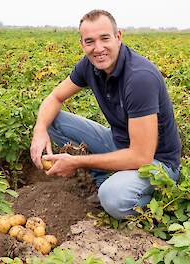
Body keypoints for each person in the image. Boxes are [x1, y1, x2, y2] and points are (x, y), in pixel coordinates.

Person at [30, 9, 181, 220]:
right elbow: (54, 98)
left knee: (113, 198)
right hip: (120, 143)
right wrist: (39, 130)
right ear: (82, 44)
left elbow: (141, 156)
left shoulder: (139, 79)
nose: (98, 48)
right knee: (50, 121)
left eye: (105, 38)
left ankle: (154, 201)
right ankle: (103, 178)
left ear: (118, 37)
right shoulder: (89, 66)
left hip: (157, 162)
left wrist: (77, 162)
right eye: (90, 41)